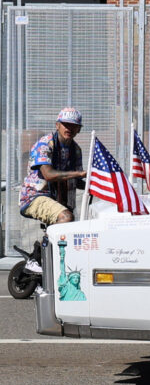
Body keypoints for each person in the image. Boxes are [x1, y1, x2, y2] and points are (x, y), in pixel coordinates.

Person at [18, 108, 87, 275]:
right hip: (35, 197)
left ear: (79, 129)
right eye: (65, 124)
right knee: (66, 217)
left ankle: (50, 267)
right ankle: (37, 257)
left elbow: (77, 180)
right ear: (57, 125)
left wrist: (97, 184)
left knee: (72, 232)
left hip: (59, 199)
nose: (69, 128)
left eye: (74, 125)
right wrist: (78, 174)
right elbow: (48, 174)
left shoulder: (76, 150)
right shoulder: (44, 144)